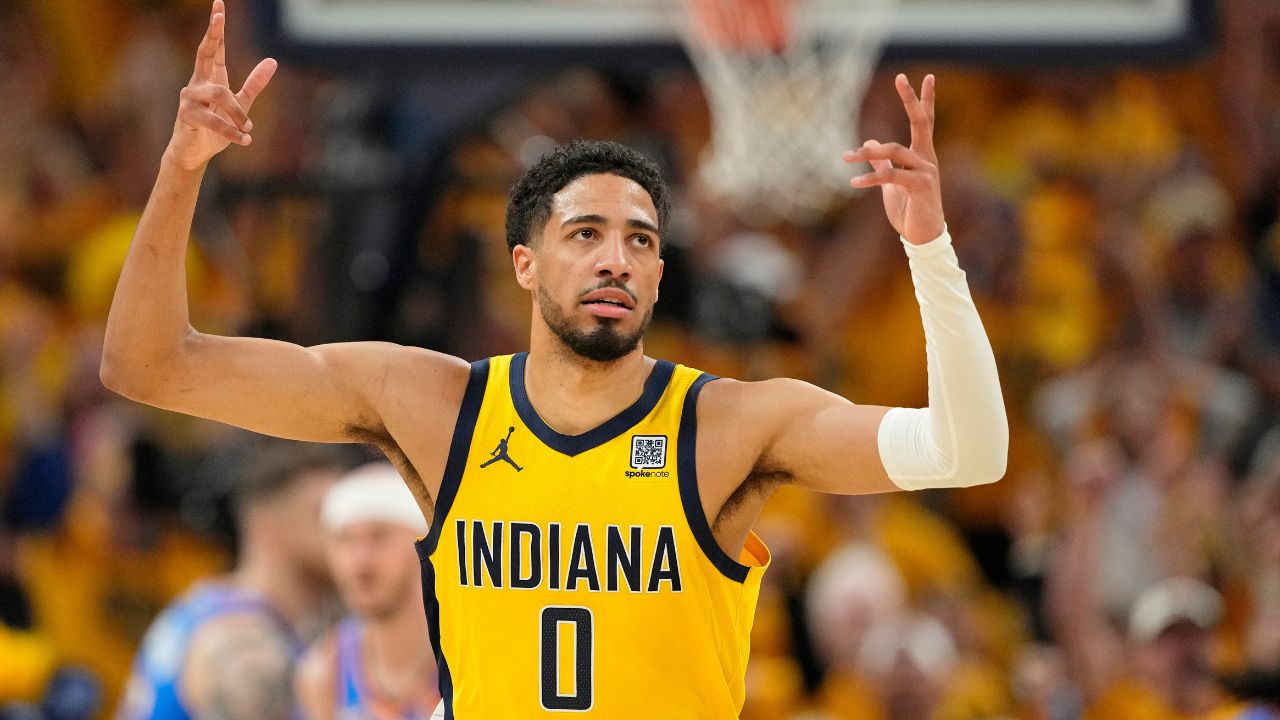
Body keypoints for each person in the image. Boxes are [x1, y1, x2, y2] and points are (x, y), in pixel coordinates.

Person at [99, 1, 1008, 715]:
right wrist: (182, 168)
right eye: (587, 233)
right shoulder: (435, 408)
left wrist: (929, 248)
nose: (617, 257)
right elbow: (151, 367)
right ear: (525, 264)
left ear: (657, 276)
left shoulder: (728, 427)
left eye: (642, 241)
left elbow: (967, 454)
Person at [116, 442, 345, 720]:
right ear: (268, 527)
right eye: (321, 514)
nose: (344, 532)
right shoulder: (239, 640)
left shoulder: (214, 606)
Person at [296, 463, 441, 720]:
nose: (360, 560)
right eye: (345, 540)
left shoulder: (466, 657)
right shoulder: (324, 672)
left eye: (380, 536)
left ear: (423, 544)